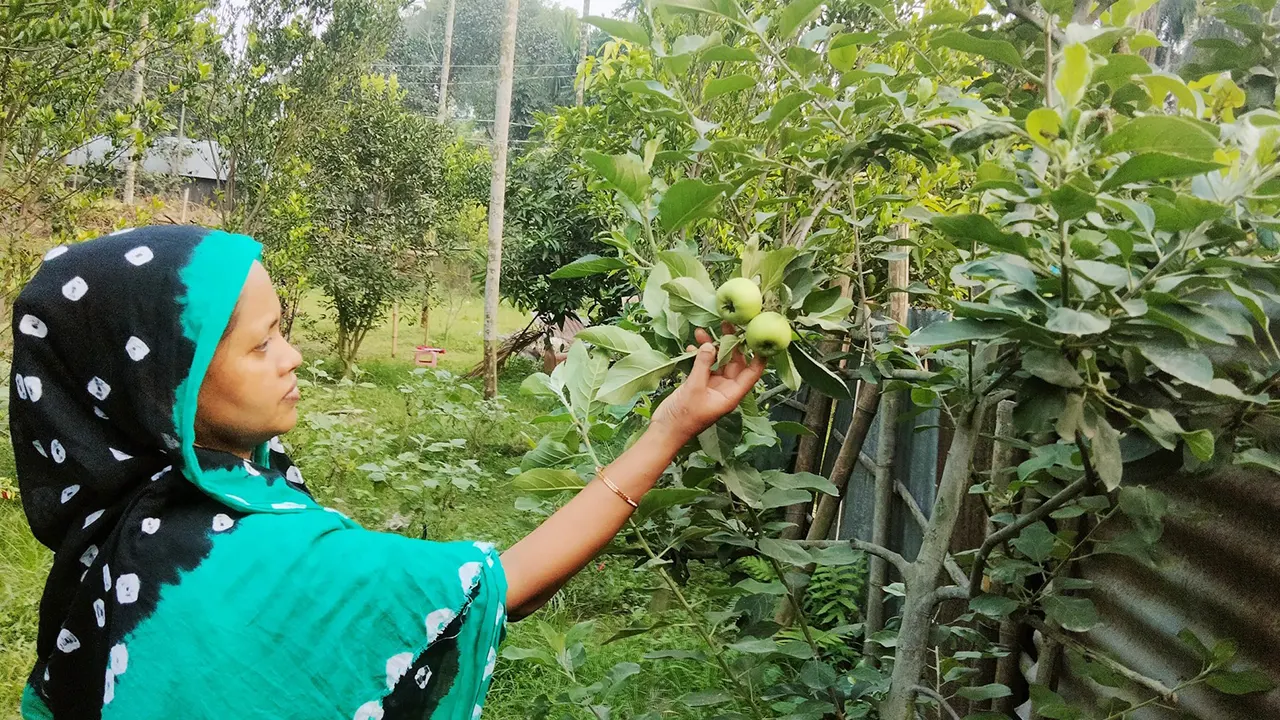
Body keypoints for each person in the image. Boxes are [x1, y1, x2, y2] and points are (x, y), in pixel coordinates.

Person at [8, 226, 765, 720]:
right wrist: (672, 427)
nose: (292, 358)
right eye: (262, 344)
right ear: (170, 381)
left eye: (286, 333)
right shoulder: (238, 554)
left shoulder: (128, 519)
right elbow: (498, 585)